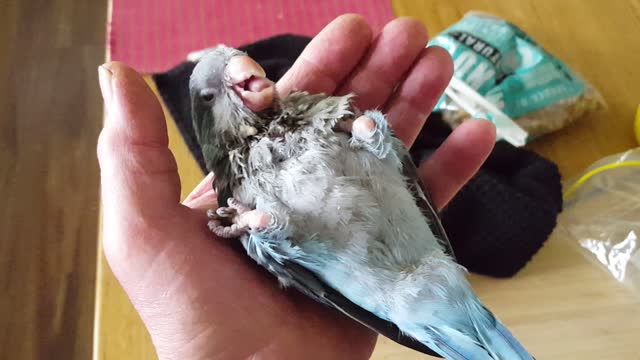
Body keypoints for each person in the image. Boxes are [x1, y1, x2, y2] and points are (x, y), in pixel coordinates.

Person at [96, 14, 496, 360]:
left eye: (233, 60)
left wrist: (367, 131)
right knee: (265, 230)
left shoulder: (321, 116)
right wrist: (257, 223)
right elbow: (295, 262)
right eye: (211, 92)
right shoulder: (239, 191)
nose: (236, 67)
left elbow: (398, 170)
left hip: (425, 257)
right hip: (393, 294)